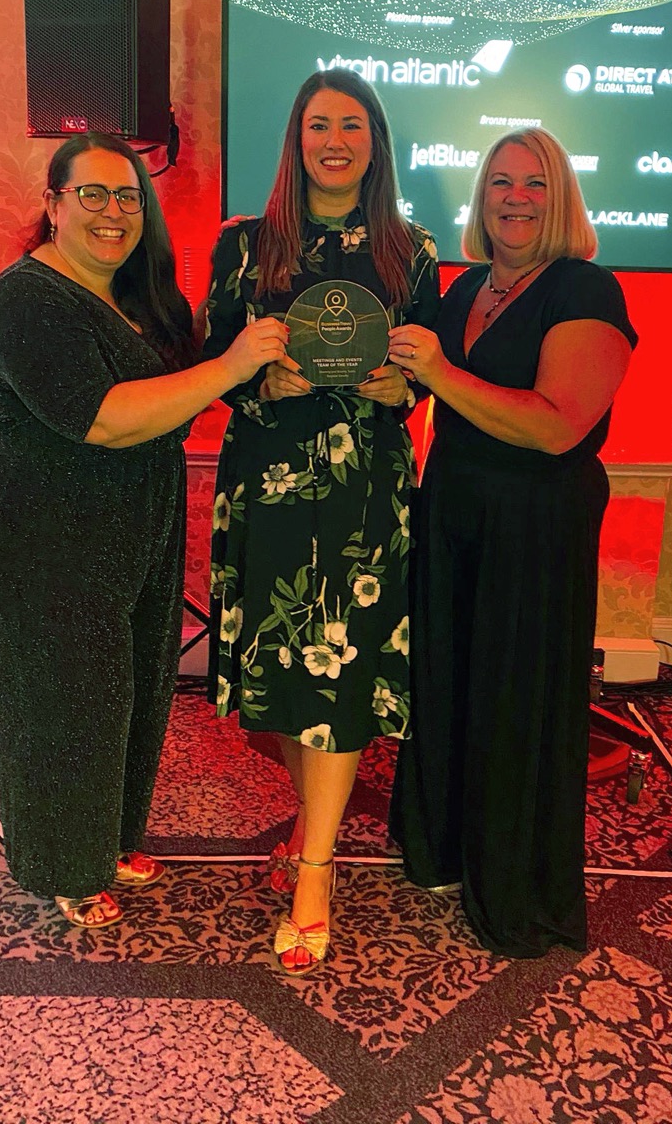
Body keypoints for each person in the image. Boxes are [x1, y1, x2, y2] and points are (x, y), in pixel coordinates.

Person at [0, 132, 287, 928]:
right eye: (92, 194)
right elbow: (99, 418)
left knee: (132, 683)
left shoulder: (141, 293)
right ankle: (65, 866)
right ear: (53, 204)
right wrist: (231, 367)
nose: (113, 212)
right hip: (38, 519)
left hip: (132, 512)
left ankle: (107, 840)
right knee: (64, 697)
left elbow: (184, 382)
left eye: (128, 196)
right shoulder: (27, 296)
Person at [203, 70, 439, 975]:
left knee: (336, 681)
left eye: (351, 125)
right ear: (296, 139)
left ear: (376, 142)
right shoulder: (244, 245)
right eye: (318, 125)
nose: (334, 141)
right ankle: (314, 825)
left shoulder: (412, 252)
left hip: (363, 493)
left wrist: (398, 387)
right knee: (279, 676)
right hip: (267, 487)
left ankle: (316, 874)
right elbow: (212, 360)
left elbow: (427, 374)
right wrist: (259, 379)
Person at [387, 127, 637, 958]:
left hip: (535, 521)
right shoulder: (466, 288)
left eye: (535, 183)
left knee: (515, 696)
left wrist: (439, 373)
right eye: (501, 181)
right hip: (454, 506)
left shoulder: (585, 289)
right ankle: (445, 851)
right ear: (482, 196)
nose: (516, 198)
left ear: (560, 198)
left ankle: (514, 887)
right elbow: (419, 388)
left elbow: (558, 427)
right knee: (451, 681)